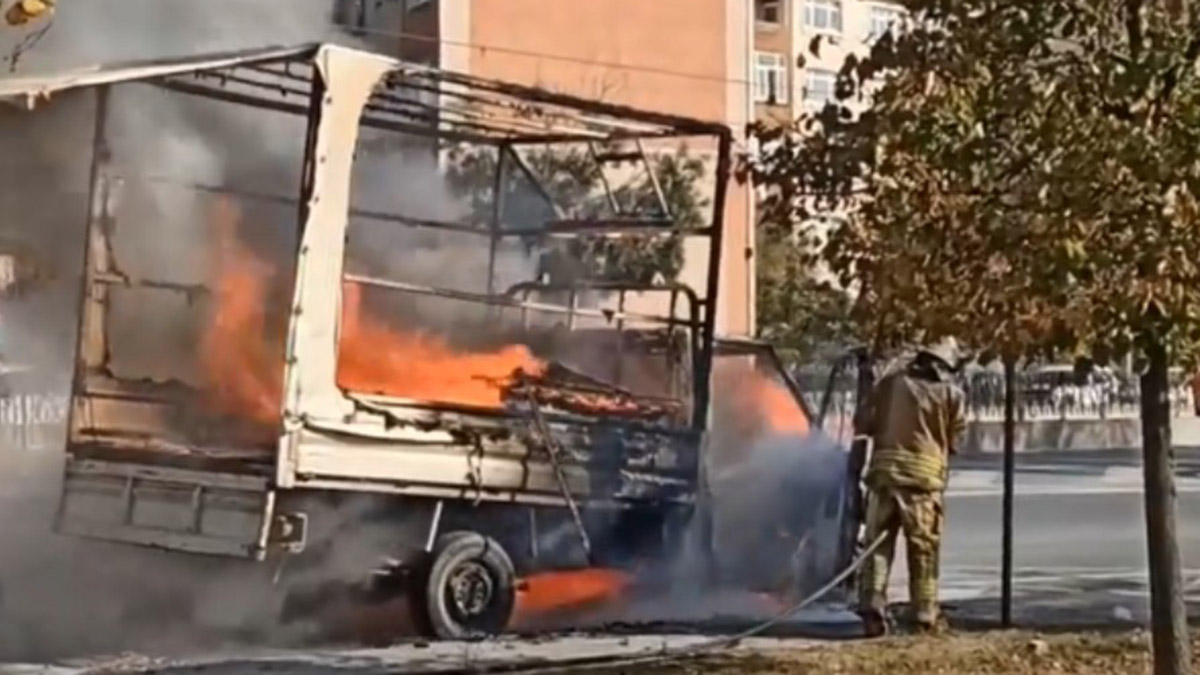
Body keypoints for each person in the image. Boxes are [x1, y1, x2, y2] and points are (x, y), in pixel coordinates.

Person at [855, 338, 967, 636]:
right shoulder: (952, 394)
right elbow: (956, 441)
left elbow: (864, 422)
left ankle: (872, 604)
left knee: (877, 545)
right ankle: (924, 614)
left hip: (884, 477)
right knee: (923, 549)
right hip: (923, 483)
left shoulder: (890, 383)